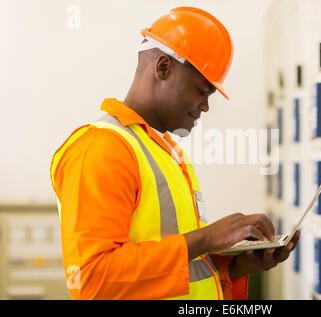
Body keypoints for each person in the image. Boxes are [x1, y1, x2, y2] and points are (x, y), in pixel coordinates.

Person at [50, 6, 300, 300]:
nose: (206, 106)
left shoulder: (165, 154)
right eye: (201, 90)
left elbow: (175, 271)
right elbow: (92, 280)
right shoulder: (101, 149)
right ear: (163, 68)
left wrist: (236, 265)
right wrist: (206, 238)